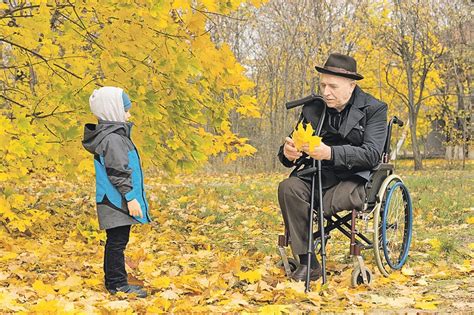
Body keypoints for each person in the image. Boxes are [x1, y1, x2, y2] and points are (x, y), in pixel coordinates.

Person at [277, 53, 388, 281]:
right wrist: (288, 153)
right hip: (319, 174)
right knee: (288, 188)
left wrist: (331, 152)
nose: (326, 92)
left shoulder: (374, 109)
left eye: (333, 86)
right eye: (323, 85)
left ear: (351, 85)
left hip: (354, 175)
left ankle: (314, 234)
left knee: (325, 203)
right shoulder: (313, 108)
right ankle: (309, 262)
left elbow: (372, 154)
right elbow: (294, 142)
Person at [82, 86, 152, 297]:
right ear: (112, 110)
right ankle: (116, 285)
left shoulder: (115, 136)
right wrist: (130, 198)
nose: (129, 114)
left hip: (115, 198)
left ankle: (115, 282)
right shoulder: (112, 139)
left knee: (117, 241)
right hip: (116, 200)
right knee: (117, 242)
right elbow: (117, 171)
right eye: (125, 109)